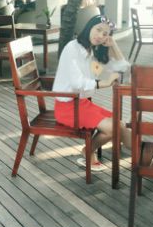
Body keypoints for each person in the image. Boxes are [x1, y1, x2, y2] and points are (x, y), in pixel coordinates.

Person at [53, 15, 131, 172]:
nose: (100, 35)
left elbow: (122, 68)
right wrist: (104, 83)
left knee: (120, 124)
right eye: (98, 30)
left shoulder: (92, 51)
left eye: (105, 34)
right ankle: (89, 151)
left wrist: (113, 45)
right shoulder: (72, 48)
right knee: (114, 127)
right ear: (89, 27)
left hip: (82, 103)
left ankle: (140, 153)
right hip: (67, 107)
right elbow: (77, 82)